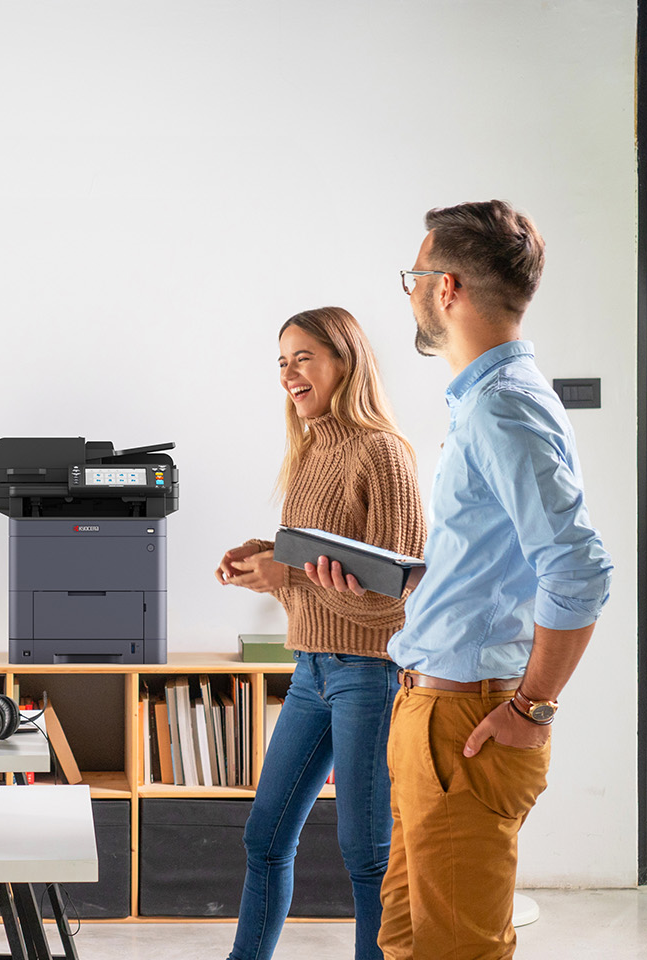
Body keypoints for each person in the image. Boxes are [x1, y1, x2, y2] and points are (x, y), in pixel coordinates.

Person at [340, 200, 612, 958]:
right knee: (405, 937)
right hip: (430, 712)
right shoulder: (486, 404)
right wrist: (391, 581)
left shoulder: (503, 409)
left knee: (456, 949)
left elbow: (578, 569)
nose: (410, 293)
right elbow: (497, 570)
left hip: (468, 725)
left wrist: (534, 706)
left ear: (447, 286)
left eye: (415, 277)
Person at [215, 307, 426, 960]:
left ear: (346, 360)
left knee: (366, 856)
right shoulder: (309, 451)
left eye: (302, 358)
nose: (288, 374)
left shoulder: (383, 453)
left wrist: (290, 573)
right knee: (265, 838)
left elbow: (400, 600)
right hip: (310, 671)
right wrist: (263, 557)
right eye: (282, 362)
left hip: (370, 672)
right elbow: (314, 557)